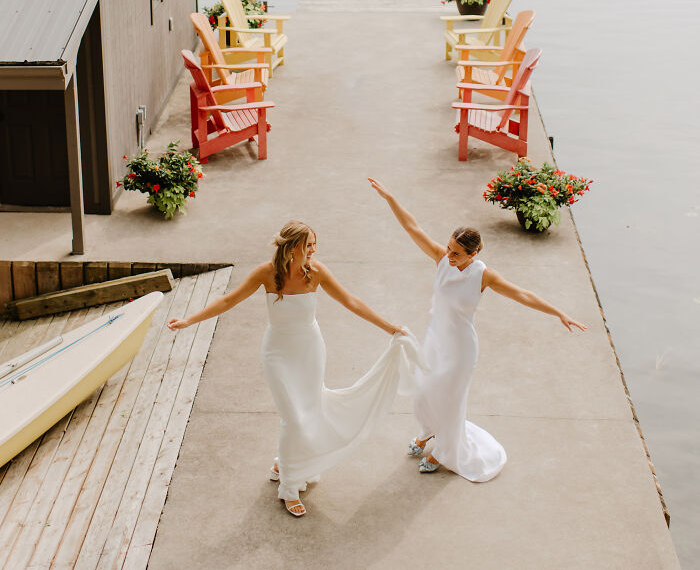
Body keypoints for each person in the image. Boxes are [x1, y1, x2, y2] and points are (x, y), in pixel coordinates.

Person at [167, 221, 419, 517]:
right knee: (294, 420)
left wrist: (390, 328)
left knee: (310, 412)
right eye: (308, 245)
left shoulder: (316, 272)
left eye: (315, 244)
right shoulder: (266, 273)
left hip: (310, 351)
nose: (314, 250)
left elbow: (351, 301)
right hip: (277, 353)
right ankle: (288, 486)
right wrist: (189, 321)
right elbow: (228, 299)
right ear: (292, 246)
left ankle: (283, 463)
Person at [367, 178, 586, 482]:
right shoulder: (441, 259)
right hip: (435, 341)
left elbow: (522, 294)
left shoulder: (483, 276)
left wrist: (559, 312)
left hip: (460, 349)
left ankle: (442, 451)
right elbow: (412, 227)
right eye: (449, 248)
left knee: (450, 400)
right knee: (424, 394)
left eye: (457, 253)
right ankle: (427, 432)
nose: (449, 255)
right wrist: (389, 196)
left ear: (473, 255)